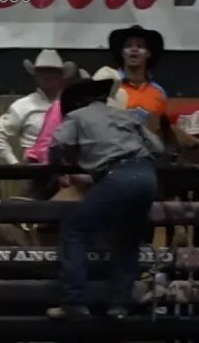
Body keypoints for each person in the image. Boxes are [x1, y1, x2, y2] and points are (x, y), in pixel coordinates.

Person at [48, 77, 163, 321]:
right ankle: (119, 306)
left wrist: (62, 164)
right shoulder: (128, 116)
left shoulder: (77, 117)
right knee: (128, 239)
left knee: (74, 229)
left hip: (117, 176)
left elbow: (57, 143)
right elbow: (157, 147)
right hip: (146, 176)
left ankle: (74, 301)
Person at [0, 48, 74, 165]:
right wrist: (14, 163)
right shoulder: (23, 106)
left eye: (52, 71)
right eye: (42, 71)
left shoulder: (72, 104)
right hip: (35, 169)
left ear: (61, 75)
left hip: (68, 170)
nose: (47, 75)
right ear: (35, 76)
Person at [108, 24, 167, 130]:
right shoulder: (109, 87)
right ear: (122, 53)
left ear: (148, 53)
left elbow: (163, 130)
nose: (134, 49)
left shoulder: (159, 92)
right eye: (128, 46)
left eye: (140, 46)